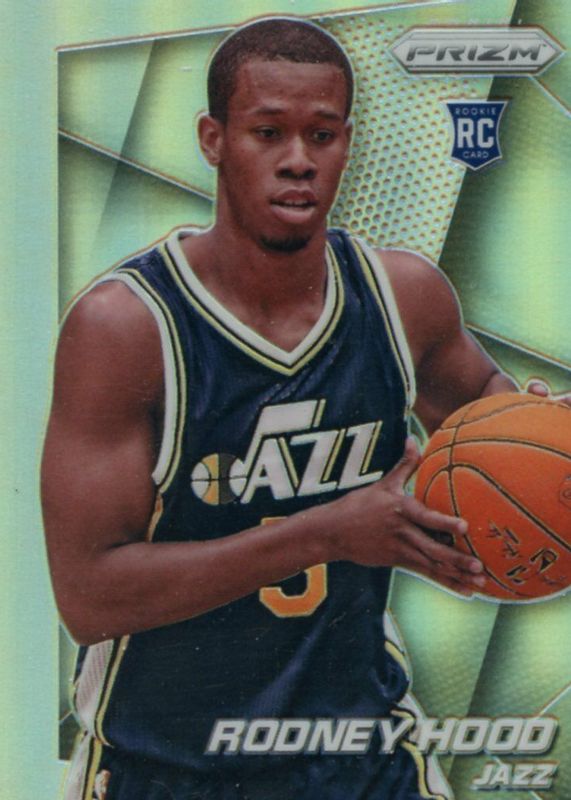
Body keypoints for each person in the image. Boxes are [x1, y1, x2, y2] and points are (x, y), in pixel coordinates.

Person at [41, 17, 567, 800]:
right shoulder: (127, 328)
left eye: (320, 135)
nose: (297, 160)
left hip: (362, 756)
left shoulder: (403, 298)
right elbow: (90, 597)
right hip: (170, 766)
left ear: (346, 144)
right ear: (213, 139)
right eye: (268, 133)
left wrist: (544, 434)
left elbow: (499, 443)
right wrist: (324, 533)